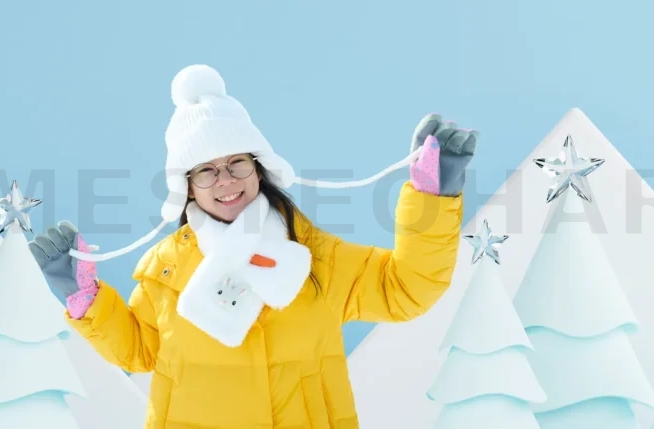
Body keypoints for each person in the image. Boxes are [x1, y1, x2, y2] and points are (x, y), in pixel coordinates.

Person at [28, 64, 478, 428]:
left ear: (258, 169)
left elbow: (406, 288)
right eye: (206, 170)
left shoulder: (316, 256)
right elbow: (139, 351)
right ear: (187, 186)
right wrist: (86, 299)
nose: (225, 180)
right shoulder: (167, 268)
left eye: (236, 163)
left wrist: (431, 200)